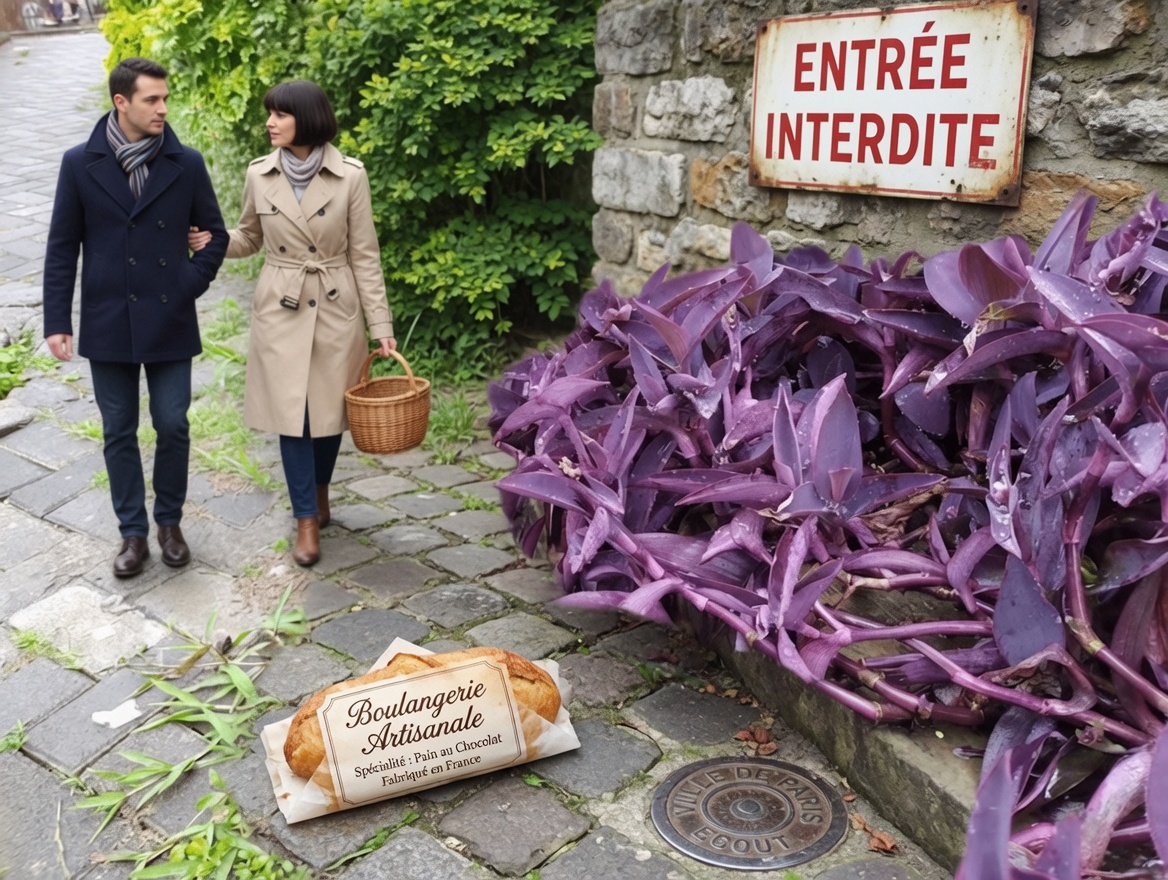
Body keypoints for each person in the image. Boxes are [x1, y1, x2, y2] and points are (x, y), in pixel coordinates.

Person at [190, 80, 394, 567]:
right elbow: (248, 237)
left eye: (279, 114)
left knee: (327, 418)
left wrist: (380, 324)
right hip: (280, 306)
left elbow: (365, 255)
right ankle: (306, 519)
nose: (269, 122)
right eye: (269, 114)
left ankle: (320, 493)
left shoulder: (350, 177)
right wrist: (210, 240)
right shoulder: (260, 174)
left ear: (305, 118)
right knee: (293, 418)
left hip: (335, 303)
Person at [43, 57, 229, 578]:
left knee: (173, 423)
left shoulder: (185, 163)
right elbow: (62, 248)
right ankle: (133, 534)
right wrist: (57, 318)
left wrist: (187, 284)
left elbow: (213, 236)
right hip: (107, 318)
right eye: (152, 99)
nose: (163, 108)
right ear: (121, 102)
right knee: (118, 429)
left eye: (165, 98)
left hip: (170, 317)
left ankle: (169, 523)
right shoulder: (79, 163)